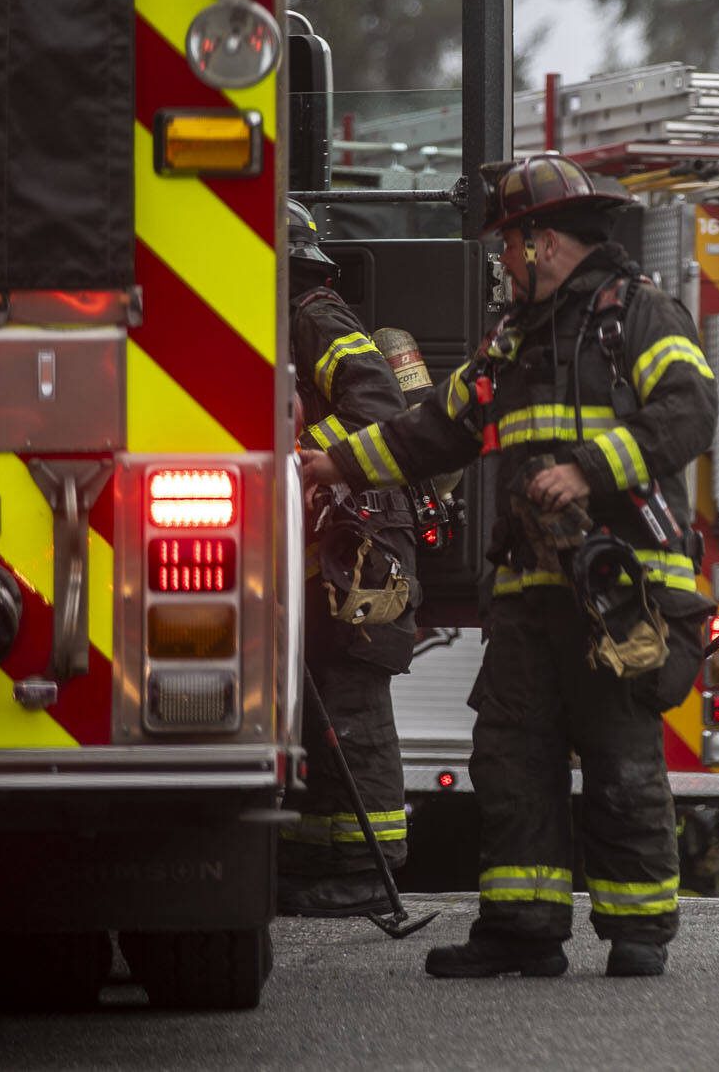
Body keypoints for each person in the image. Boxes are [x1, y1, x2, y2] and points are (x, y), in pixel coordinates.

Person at [299, 153, 719, 978]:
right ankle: (522, 928)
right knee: (511, 755)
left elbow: (689, 410)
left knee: (619, 757)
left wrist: (589, 471)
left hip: (615, 588)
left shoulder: (640, 317)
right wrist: (335, 466)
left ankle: (638, 933)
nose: (502, 261)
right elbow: (435, 428)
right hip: (529, 595)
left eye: (509, 245)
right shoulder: (511, 339)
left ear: (546, 242)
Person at [279, 200, 421, 918]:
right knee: (318, 703)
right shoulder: (295, 321)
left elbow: (379, 408)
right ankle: (315, 857)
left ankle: (371, 868)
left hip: (360, 540)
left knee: (353, 703)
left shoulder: (316, 317)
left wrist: (304, 457)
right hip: (331, 537)